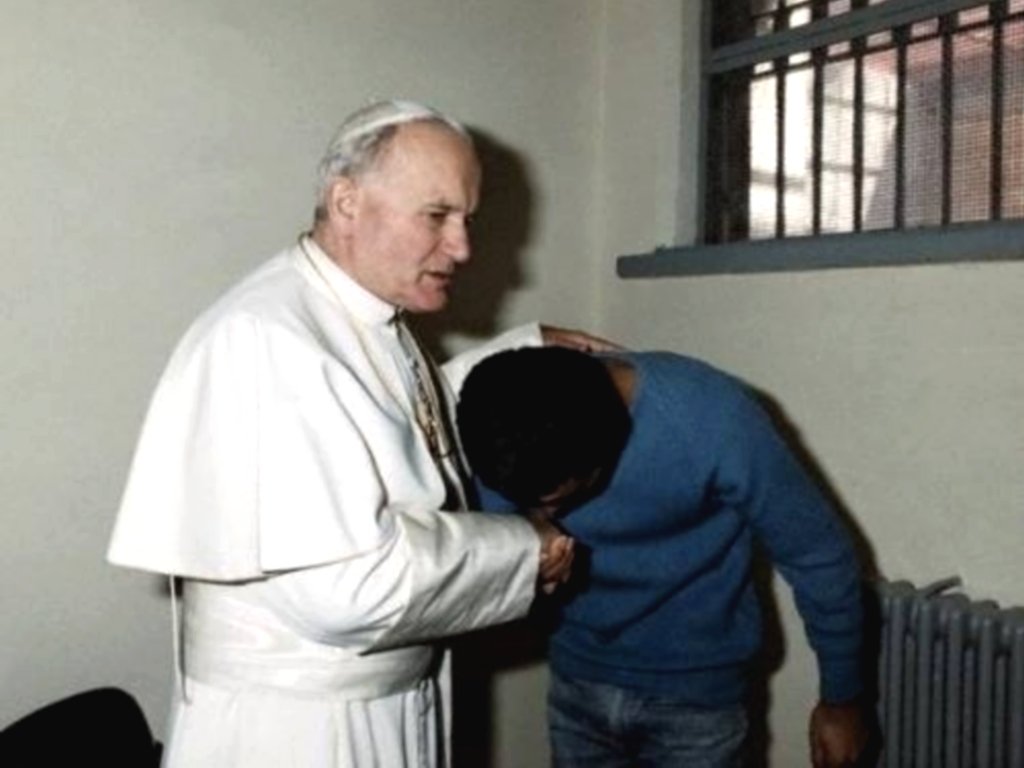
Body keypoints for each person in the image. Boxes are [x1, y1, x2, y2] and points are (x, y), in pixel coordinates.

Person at [107, 100, 604, 767]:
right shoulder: (266, 338)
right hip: (299, 732)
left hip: (371, 704)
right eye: (437, 216)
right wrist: (523, 546)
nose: (462, 247)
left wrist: (518, 352)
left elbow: (377, 420)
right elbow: (350, 586)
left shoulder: (352, 311)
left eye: (467, 220)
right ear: (347, 202)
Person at [456, 347, 869, 768]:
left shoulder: (709, 415)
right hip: (576, 679)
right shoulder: (502, 422)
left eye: (553, 502)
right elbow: (490, 524)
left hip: (698, 698)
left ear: (605, 450)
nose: (545, 515)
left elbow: (816, 554)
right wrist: (523, 527)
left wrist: (842, 699)